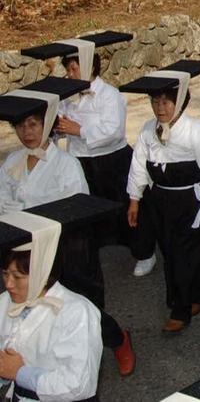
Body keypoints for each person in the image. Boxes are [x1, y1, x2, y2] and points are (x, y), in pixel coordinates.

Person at [0, 79, 135, 378]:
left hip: (65, 247)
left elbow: (76, 211)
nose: (28, 133)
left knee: (79, 306)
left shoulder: (66, 164)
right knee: (24, 307)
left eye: (34, 125)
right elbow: (3, 203)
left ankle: (117, 338)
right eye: (21, 127)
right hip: (23, 248)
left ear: (47, 124)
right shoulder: (12, 161)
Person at [19, 33, 146, 270]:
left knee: (124, 208)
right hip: (80, 162)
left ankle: (143, 252)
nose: (70, 74)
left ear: (89, 65)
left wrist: (79, 129)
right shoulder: (67, 97)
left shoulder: (110, 95)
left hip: (112, 161)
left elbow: (114, 131)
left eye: (75, 68)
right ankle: (91, 253)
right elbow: (61, 127)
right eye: (68, 69)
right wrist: (56, 130)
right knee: (86, 210)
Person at [121, 61, 200, 334]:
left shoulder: (197, 132)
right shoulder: (148, 130)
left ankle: (179, 309)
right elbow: (138, 166)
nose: (160, 108)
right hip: (160, 203)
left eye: (167, 102)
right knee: (177, 252)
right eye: (155, 102)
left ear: (180, 101)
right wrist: (135, 199)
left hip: (191, 203)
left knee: (182, 256)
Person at [0, 205, 106, 402]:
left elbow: (79, 385)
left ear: (44, 272)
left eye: (18, 276)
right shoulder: (4, 301)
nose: (8, 284)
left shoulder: (77, 313)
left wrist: (20, 373)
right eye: (5, 274)